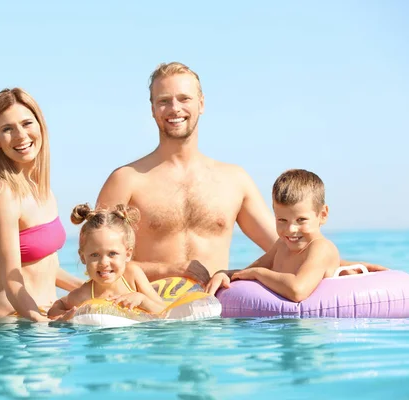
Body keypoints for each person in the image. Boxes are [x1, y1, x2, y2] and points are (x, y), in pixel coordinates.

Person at [96, 62, 385, 285]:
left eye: (184, 98)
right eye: (164, 100)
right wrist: (168, 270)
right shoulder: (126, 180)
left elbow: (287, 245)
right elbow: (96, 264)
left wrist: (342, 265)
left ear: (201, 103)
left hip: (215, 320)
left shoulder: (234, 181)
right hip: (150, 321)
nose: (175, 108)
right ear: (152, 109)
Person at [0, 88, 83, 321]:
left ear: (40, 126)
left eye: (27, 123)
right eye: (7, 129)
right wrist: (42, 324)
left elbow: (46, 269)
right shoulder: (4, 193)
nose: (20, 135)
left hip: (44, 315)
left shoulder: (42, 190)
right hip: (17, 323)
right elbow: (11, 279)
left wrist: (94, 290)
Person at [205, 169, 342, 301]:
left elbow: (298, 291)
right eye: (282, 220)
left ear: (323, 215)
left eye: (301, 220)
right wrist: (224, 274)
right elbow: (246, 273)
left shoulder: (321, 248)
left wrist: (258, 274)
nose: (291, 229)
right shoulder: (282, 245)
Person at [47, 204, 167, 320]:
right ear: (83, 257)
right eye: (95, 255)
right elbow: (56, 307)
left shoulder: (132, 275)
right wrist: (65, 316)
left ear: (128, 254)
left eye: (112, 254)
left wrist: (142, 300)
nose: (104, 262)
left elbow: (164, 311)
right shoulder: (84, 295)